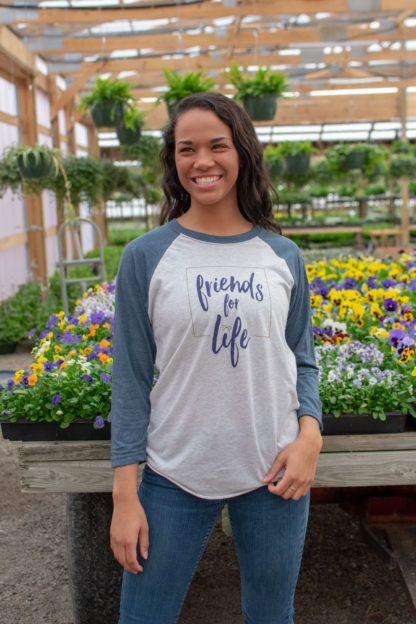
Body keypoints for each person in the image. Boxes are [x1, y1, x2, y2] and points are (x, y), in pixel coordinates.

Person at [110, 92, 323, 624]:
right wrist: (124, 496)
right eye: (187, 149)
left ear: (242, 153)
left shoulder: (282, 255)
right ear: (173, 162)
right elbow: (131, 379)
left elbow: (302, 358)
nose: (202, 161)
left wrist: (310, 436)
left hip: (275, 473)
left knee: (273, 617)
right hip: (173, 474)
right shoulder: (146, 256)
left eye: (217, 146)